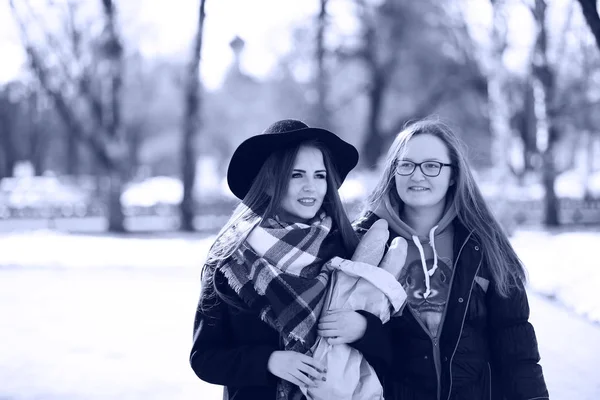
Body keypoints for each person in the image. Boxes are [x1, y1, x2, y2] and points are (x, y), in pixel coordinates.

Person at [319, 119, 549, 399]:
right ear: (393, 172)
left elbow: (516, 345)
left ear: (453, 174)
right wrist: (368, 330)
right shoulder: (361, 244)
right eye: (406, 165)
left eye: (432, 165)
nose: (417, 176)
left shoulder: (484, 244)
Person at [189, 119, 361, 400]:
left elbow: (391, 341)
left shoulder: (346, 249)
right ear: (269, 183)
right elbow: (204, 357)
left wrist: (363, 329)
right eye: (296, 175)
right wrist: (269, 362)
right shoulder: (230, 258)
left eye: (319, 175)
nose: (311, 187)